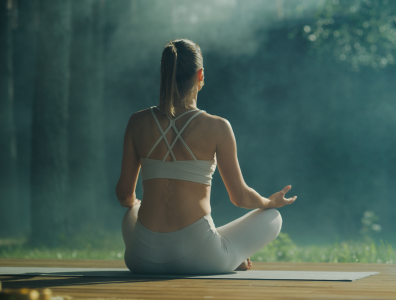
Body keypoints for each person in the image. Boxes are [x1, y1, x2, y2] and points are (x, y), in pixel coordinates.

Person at [116, 39, 297, 275]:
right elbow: (240, 197)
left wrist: (136, 204)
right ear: (200, 75)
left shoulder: (137, 122)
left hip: (142, 258)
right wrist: (270, 202)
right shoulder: (218, 127)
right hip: (201, 257)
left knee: (132, 211)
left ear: (164, 73)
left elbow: (124, 195)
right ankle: (232, 253)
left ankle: (227, 250)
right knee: (273, 217)